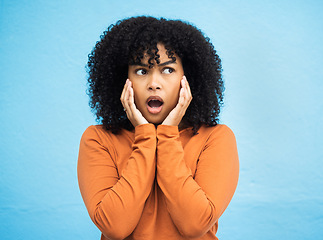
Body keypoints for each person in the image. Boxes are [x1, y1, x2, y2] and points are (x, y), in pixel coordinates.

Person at [77, 16, 239, 240]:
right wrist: (145, 137)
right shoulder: (98, 139)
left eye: (167, 70)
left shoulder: (216, 138)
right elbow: (114, 227)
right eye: (141, 71)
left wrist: (167, 134)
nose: (154, 83)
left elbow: (194, 224)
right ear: (124, 80)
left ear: (188, 78)